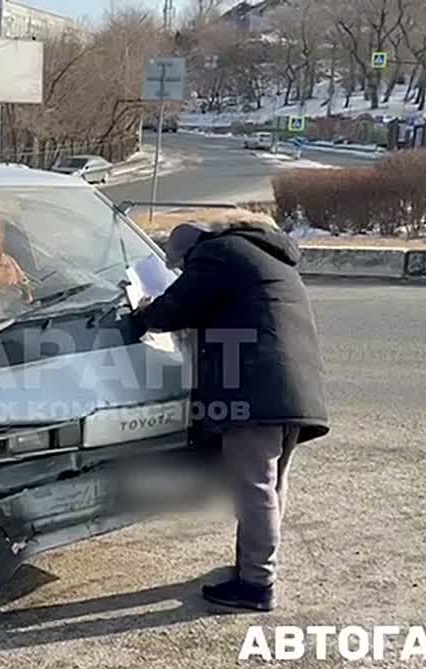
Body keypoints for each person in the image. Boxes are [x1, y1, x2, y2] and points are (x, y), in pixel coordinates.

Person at [129, 210, 329, 612]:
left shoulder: (217, 254)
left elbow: (176, 306)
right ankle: (254, 567)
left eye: (184, 265)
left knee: (255, 486)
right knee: (271, 483)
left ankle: (256, 584)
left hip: (255, 385)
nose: (185, 270)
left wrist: (143, 312)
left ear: (194, 250)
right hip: (293, 385)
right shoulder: (264, 252)